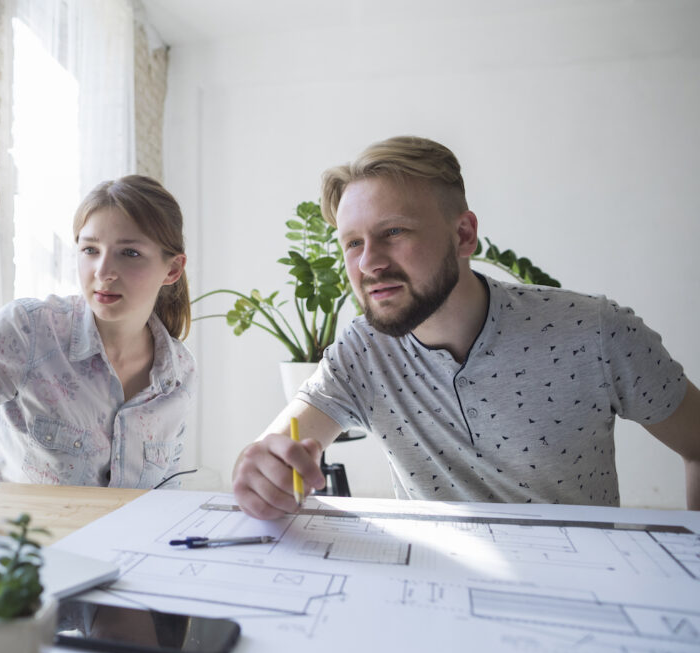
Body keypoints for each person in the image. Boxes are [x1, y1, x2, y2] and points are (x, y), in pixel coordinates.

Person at [232, 136, 700, 520]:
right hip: (439, 603)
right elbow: (272, 450)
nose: (369, 262)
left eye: (393, 232)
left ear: (463, 235)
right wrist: (261, 471)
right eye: (353, 243)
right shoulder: (361, 351)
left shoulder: (594, 332)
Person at [0, 175, 196, 537]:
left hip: (121, 570)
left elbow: (162, 503)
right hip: (14, 564)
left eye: (129, 253)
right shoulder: (27, 331)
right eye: (90, 250)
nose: (103, 272)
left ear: (172, 269)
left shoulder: (178, 373)